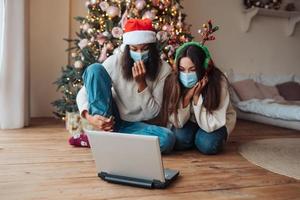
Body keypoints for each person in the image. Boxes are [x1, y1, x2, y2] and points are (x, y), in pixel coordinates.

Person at [71, 19, 175, 153]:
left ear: (152, 49)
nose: (139, 53)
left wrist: (141, 83)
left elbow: (152, 112)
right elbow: (83, 93)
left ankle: (102, 140)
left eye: (144, 49)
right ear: (127, 48)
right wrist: (90, 118)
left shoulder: (163, 69)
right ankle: (104, 131)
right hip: (112, 118)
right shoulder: (115, 62)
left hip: (140, 125)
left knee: (167, 139)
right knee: (94, 69)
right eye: (134, 49)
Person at [159, 41, 236, 155]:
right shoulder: (174, 80)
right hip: (190, 121)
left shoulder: (218, 82)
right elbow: (178, 123)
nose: (186, 74)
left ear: (203, 67)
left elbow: (211, 125)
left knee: (207, 144)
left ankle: (199, 139)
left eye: (192, 69)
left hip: (214, 124)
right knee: (178, 140)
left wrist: (196, 98)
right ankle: (195, 137)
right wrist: (187, 98)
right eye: (182, 69)